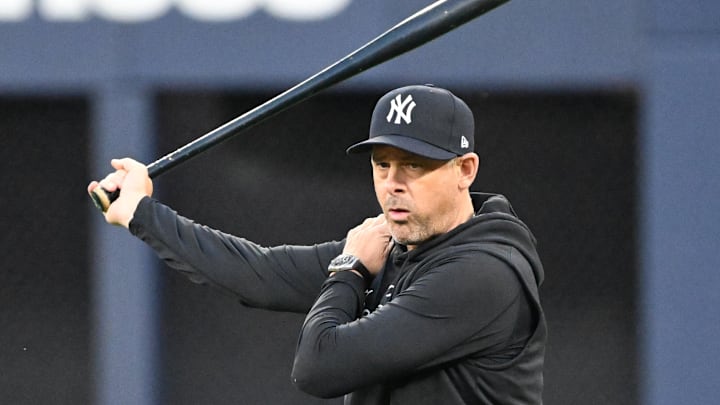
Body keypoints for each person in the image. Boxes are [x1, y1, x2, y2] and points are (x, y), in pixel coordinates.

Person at [88, 84, 547, 404]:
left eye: (414, 165)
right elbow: (259, 275)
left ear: (465, 170)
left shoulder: (483, 274)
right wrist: (142, 215)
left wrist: (348, 270)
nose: (392, 184)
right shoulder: (391, 248)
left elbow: (318, 367)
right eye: (382, 165)